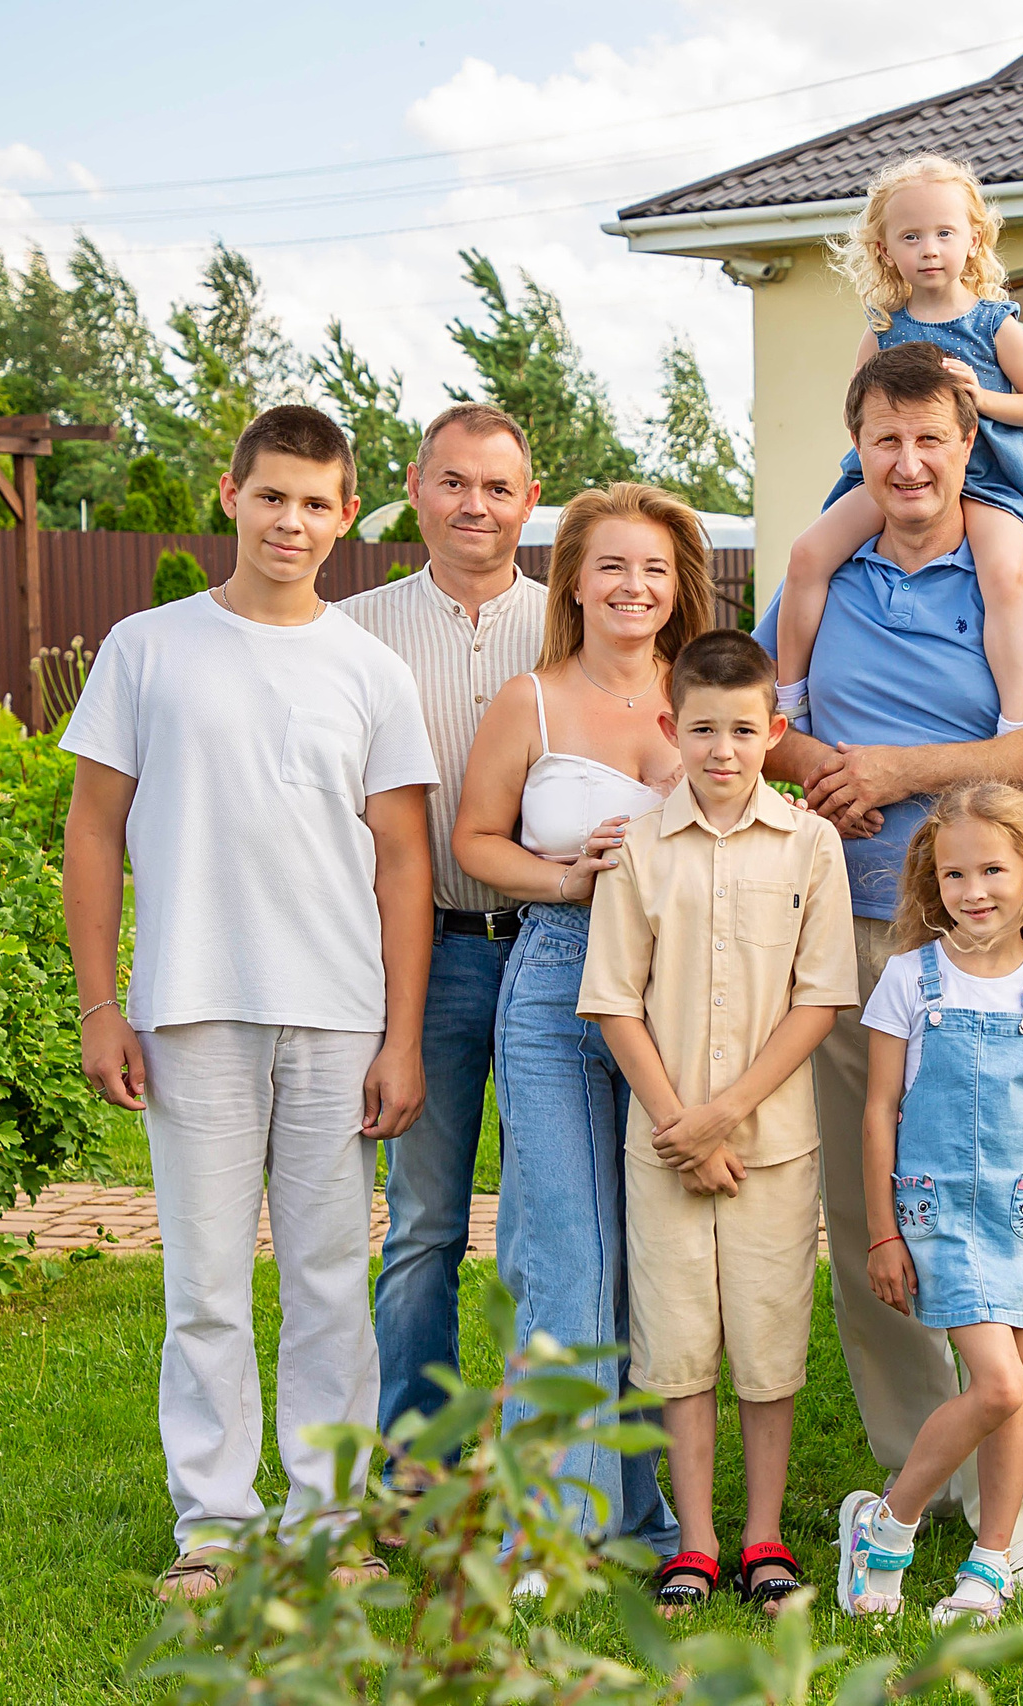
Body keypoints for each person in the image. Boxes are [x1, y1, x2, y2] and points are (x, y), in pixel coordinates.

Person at [755, 339, 1023, 1594]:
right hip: (847, 934)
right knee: (880, 1224)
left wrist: (905, 771)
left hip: (988, 943)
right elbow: (756, 722)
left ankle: (1011, 1512)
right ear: (855, 446)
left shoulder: (1019, 573)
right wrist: (817, 766)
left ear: (972, 446)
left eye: (933, 440)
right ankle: (919, 1475)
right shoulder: (823, 566)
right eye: (884, 441)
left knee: (1012, 1210)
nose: (908, 464)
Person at [60, 405, 440, 1602]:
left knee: (332, 1277)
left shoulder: (370, 669)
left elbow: (402, 862)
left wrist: (403, 1035)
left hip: (337, 1013)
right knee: (208, 1281)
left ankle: (330, 1521)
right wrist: (97, 1004)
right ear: (230, 494)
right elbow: (93, 828)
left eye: (316, 501)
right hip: (189, 1005)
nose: (292, 520)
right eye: (271, 494)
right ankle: (214, 1523)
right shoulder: (148, 646)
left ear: (346, 515)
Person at [453, 482, 714, 1575]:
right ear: (573, 581)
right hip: (557, 985)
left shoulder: (704, 694)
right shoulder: (532, 700)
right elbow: (475, 840)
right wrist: (564, 877)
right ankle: (550, 1528)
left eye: (654, 568)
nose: (634, 587)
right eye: (611, 565)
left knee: (652, 1260)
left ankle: (644, 1515)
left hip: (680, 997)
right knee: (565, 1254)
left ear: (678, 585)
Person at [578, 629, 859, 1616]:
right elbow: (615, 997)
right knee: (679, 1338)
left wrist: (725, 1116)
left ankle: (762, 1534)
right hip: (663, 1146)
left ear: (774, 731)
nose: (724, 749)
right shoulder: (639, 846)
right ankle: (694, 1541)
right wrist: (677, 1123)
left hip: (770, 1144)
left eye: (744, 729)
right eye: (703, 728)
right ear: (672, 727)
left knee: (769, 1334)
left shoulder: (809, 844)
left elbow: (819, 995)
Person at [838, 782, 1023, 1627]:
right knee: (997, 1387)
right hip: (937, 1212)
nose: (974, 891)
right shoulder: (910, 980)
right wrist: (883, 1231)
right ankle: (889, 1525)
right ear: (932, 883)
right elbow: (879, 1111)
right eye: (954, 875)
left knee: (1012, 1387)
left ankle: (989, 1567)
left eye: (993, 870)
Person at [337, 401, 549, 1444]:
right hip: (429, 952)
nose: (476, 504)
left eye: (497, 486)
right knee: (423, 1220)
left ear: (530, 501)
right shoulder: (355, 631)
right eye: (455, 482)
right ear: (414, 489)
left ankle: (537, 1441)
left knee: (544, 1218)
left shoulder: (577, 621)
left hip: (559, 950)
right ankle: (419, 1447)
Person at [771, 153, 1023, 740]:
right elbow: (857, 412)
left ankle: (1013, 717)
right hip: (905, 481)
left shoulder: (993, 325)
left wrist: (981, 398)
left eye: (944, 233)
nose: (930, 249)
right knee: (807, 555)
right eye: (911, 236)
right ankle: (790, 698)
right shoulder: (882, 330)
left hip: (989, 483)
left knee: (1004, 573)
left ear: (973, 239)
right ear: (885, 249)